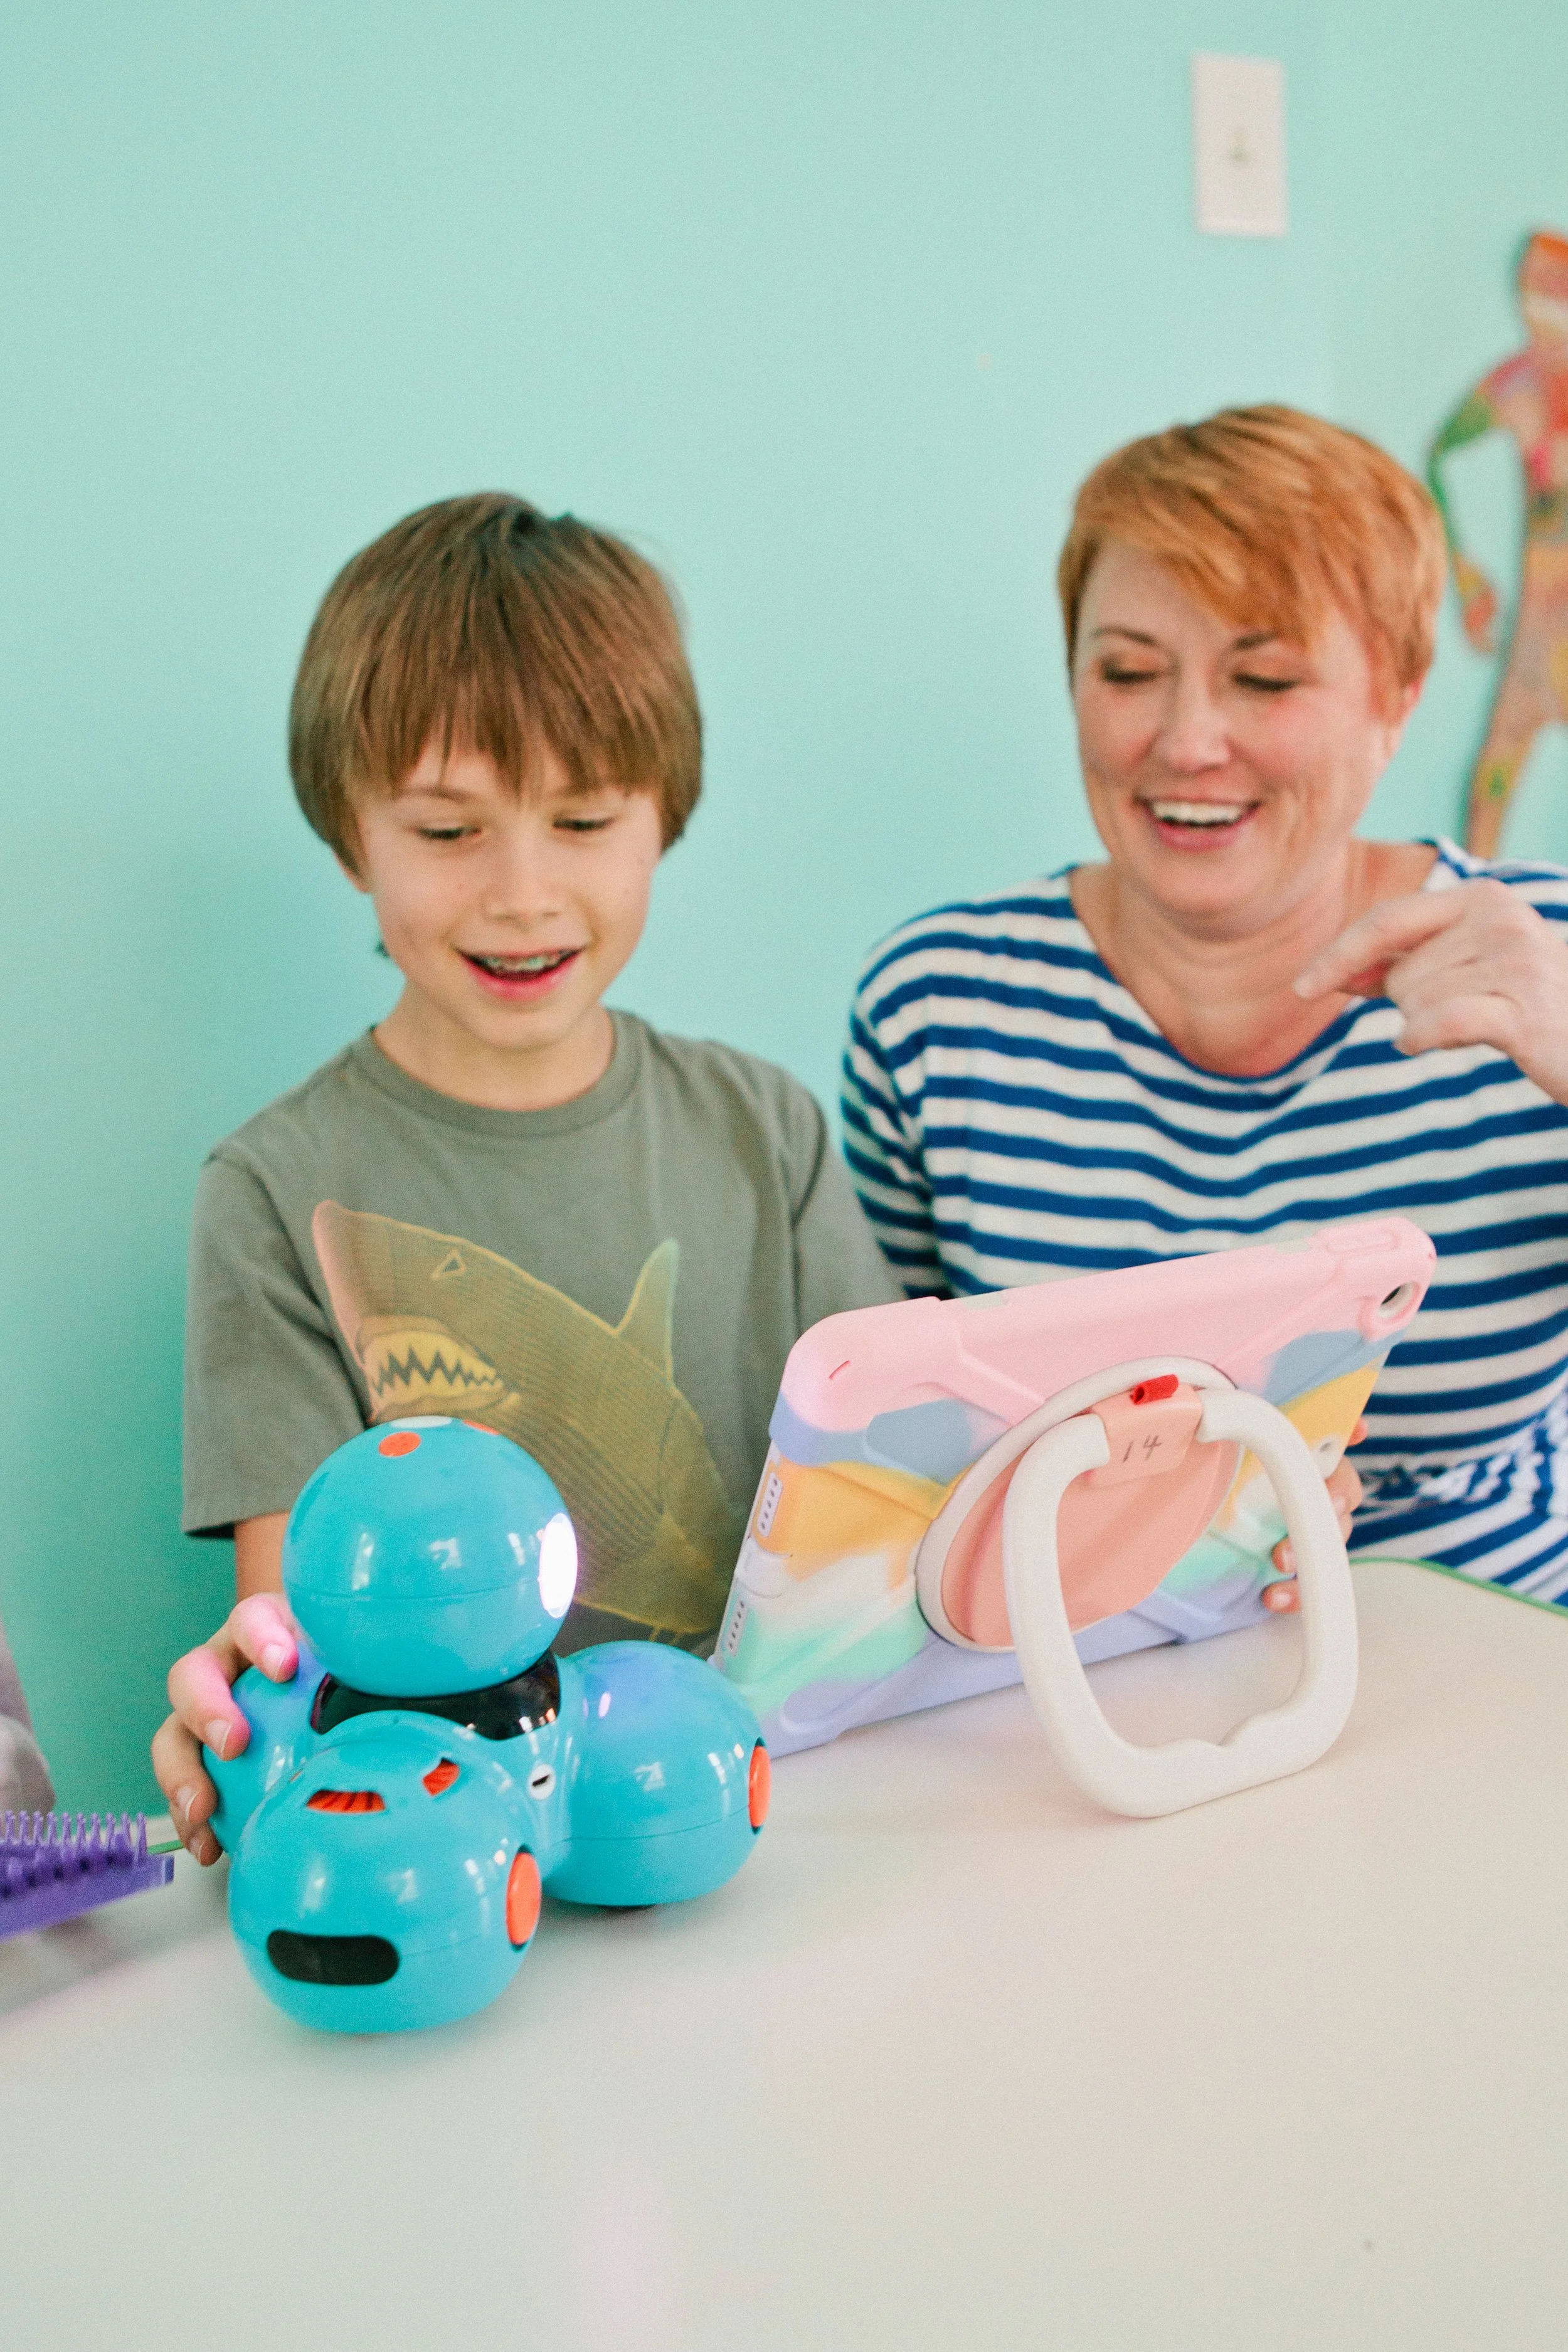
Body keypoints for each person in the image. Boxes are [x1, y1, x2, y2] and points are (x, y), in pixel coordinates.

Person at [154, 493, 899, 1860]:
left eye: (582, 819)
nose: (519, 891)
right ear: (347, 837)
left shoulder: (766, 1130)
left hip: (780, 1817)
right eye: (446, 832)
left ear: (662, 817)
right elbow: (293, 1639)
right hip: (457, 1853)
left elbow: (896, 1522)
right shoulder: (270, 1193)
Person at [845, 405, 1568, 1608]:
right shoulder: (936, 1009)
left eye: (1265, 677)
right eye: (1128, 671)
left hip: (1502, 1657)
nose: (1186, 741)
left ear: (1398, 695)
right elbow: (885, 1458)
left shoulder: (1540, 960)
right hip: (1089, 1689)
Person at [1427, 228, 1568, 857]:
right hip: (1540, 614)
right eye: (1535, 290)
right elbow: (1440, 459)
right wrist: (1464, 574)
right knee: (1496, 774)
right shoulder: (1514, 386)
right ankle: (1473, 903)